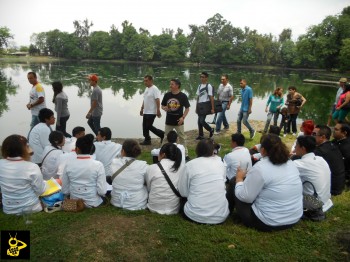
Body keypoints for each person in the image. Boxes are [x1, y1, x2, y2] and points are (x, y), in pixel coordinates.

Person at [234, 134, 303, 232]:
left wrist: (239, 179)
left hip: (268, 222)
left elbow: (246, 198)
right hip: (294, 218)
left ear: (263, 150)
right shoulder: (290, 163)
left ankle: (227, 211)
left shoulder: (261, 167)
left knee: (234, 182)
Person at [178, 139, 229, 224]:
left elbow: (183, 193)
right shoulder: (220, 162)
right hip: (221, 216)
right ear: (213, 150)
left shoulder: (189, 165)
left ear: (197, 150)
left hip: (194, 215)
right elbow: (223, 182)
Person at [0, 135, 46, 214]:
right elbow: (41, 190)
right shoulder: (32, 167)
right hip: (31, 208)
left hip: (8, 208)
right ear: (24, 149)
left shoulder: (1, 164)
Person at [61, 134, 107, 208]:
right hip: (93, 202)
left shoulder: (68, 164)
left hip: (75, 203)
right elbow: (102, 191)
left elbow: (65, 190)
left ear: (77, 149)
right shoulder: (98, 165)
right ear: (91, 148)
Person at [293, 135, 333, 212]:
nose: (294, 148)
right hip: (326, 200)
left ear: (303, 148)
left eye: (296, 145)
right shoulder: (321, 159)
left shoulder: (299, 164)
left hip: (315, 205)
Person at [146, 143, 184, 215]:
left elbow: (149, 188)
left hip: (153, 207)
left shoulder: (151, 168)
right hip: (174, 209)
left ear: (163, 154)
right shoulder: (182, 168)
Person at [110, 139, 148, 210]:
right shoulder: (143, 165)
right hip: (137, 203)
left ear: (123, 151)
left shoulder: (114, 162)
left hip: (116, 201)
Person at [161, 78, 190, 159]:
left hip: (179, 121)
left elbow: (187, 109)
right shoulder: (167, 95)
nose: (170, 85)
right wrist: (164, 108)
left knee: (182, 138)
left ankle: (185, 154)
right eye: (170, 84)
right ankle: (162, 153)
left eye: (172, 84)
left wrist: (182, 118)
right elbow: (162, 105)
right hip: (169, 121)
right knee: (166, 137)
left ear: (177, 86)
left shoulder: (183, 96)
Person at [313, 125, 345, 195]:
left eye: (314, 134)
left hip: (331, 188)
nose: (311, 136)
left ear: (323, 137)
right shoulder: (332, 145)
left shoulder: (320, 151)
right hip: (339, 184)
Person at [224, 133, 252, 212]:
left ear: (234, 143)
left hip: (234, 180)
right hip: (247, 177)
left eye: (231, 141)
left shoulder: (230, 156)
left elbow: (223, 169)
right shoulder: (246, 150)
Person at [139, 75, 164, 145]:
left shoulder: (154, 89)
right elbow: (145, 100)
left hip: (152, 112)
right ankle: (147, 140)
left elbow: (157, 100)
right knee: (144, 126)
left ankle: (162, 135)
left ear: (151, 81)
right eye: (144, 80)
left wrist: (158, 110)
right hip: (146, 111)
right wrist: (141, 108)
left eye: (146, 81)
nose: (145, 82)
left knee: (149, 126)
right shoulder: (146, 89)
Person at [195, 72, 215, 140]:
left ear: (206, 78)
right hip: (200, 105)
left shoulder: (208, 86)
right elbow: (198, 97)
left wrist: (212, 108)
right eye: (201, 77)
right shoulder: (199, 86)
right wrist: (196, 106)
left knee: (202, 121)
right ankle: (201, 135)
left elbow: (211, 97)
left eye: (203, 77)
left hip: (205, 105)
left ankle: (210, 130)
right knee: (199, 121)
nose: (202, 78)